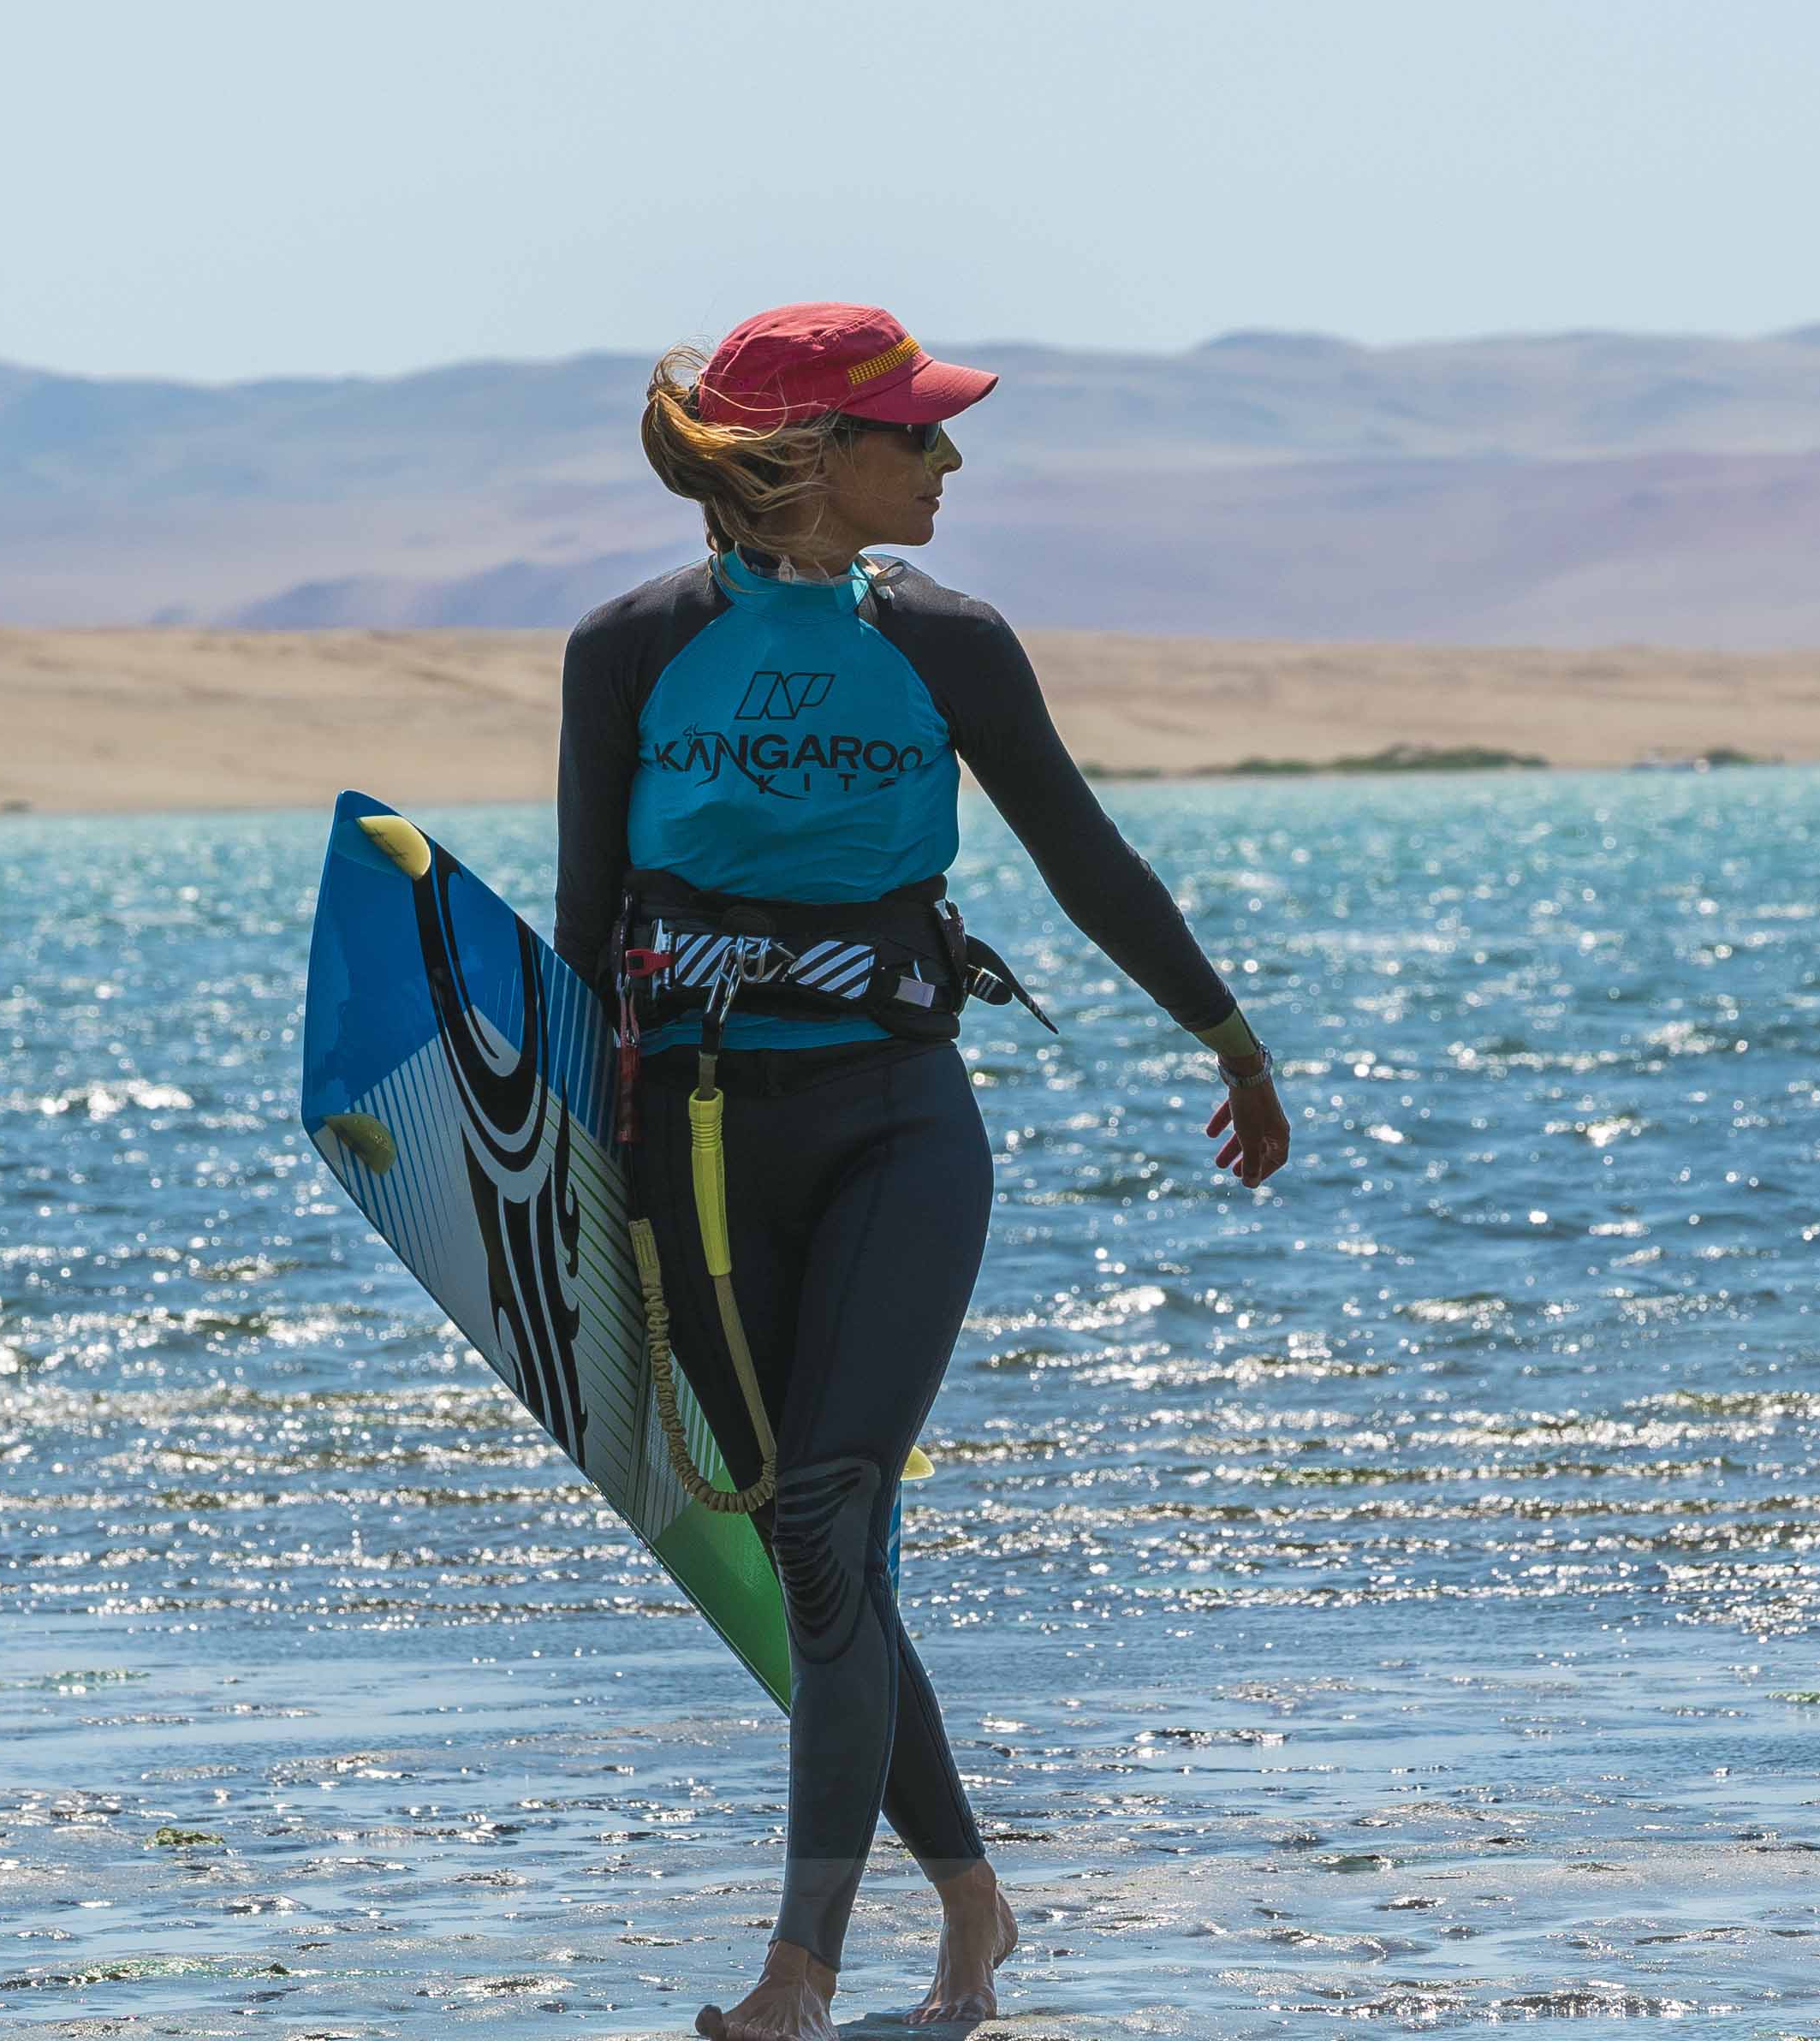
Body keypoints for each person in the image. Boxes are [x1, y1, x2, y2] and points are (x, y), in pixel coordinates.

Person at [551, 302, 1292, 2041]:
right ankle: (971, 1898)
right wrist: (573, 1183)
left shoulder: (950, 643)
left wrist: (1229, 1040)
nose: (947, 461)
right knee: (830, 1569)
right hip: (698, 1153)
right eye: (916, 434)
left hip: (895, 1121)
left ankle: (796, 1971)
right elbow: (589, 933)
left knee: (824, 1512)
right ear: (806, 460)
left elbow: (1083, 858)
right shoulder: (627, 649)